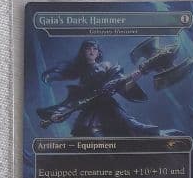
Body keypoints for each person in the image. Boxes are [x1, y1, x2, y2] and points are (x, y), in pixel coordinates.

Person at [40, 39, 178, 137]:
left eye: (94, 48)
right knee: (90, 139)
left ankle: (162, 137)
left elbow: (122, 87)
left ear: (98, 52)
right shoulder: (80, 71)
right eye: (88, 48)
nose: (91, 51)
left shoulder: (106, 66)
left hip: (109, 108)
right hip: (90, 111)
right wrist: (59, 114)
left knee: (134, 128)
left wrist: (136, 77)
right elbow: (76, 99)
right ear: (83, 52)